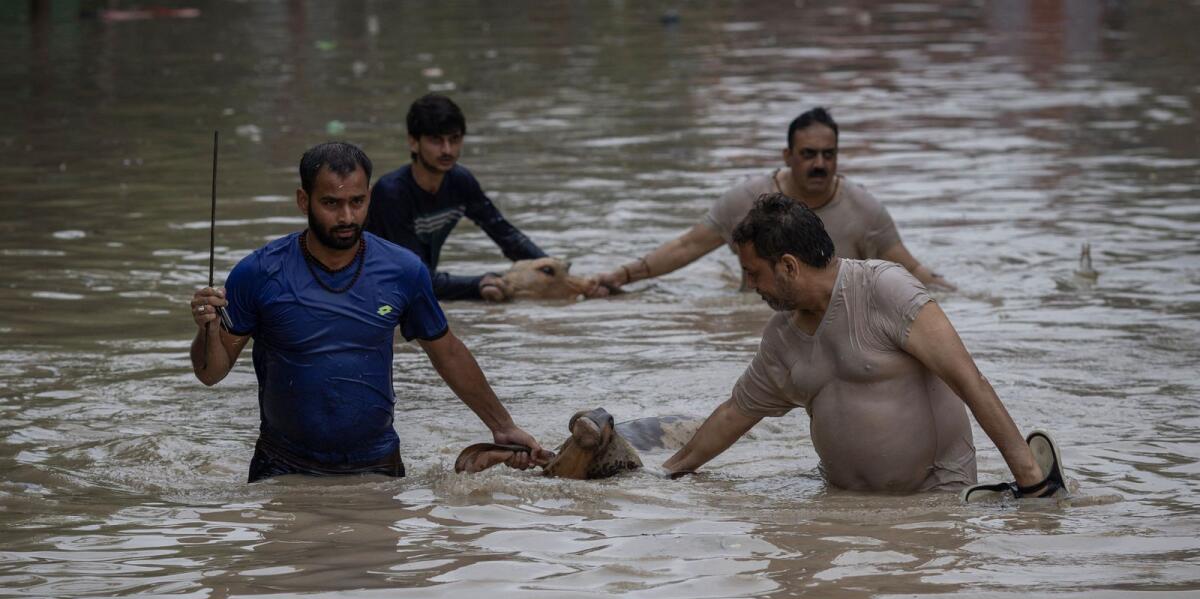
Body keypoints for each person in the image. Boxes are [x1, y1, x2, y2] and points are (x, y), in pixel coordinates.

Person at [189, 141, 550, 482]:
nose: (347, 216)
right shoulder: (258, 273)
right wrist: (205, 327)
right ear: (304, 200)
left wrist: (501, 426)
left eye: (357, 202)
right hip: (283, 467)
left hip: (376, 464)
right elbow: (211, 372)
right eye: (331, 203)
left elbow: (448, 352)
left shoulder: (403, 270)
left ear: (370, 198)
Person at [661, 193, 1060, 496]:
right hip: (841, 504)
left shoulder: (886, 289)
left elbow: (970, 381)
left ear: (788, 266)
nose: (749, 286)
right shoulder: (780, 338)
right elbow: (735, 413)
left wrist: (1030, 480)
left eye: (753, 273)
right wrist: (664, 475)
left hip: (935, 502)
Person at [592, 107, 955, 294]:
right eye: (809, 153)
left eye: (829, 155)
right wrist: (622, 276)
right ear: (787, 155)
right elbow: (687, 246)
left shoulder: (865, 210)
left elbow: (912, 270)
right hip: (757, 311)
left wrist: (970, 300)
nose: (820, 164)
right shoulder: (746, 200)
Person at [365, 93, 551, 302]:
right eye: (436, 140)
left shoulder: (460, 182)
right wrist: (479, 283)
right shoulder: (392, 193)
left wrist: (556, 270)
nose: (447, 150)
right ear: (413, 142)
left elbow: (507, 236)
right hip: (375, 296)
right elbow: (415, 277)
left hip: (415, 289)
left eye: (454, 140)